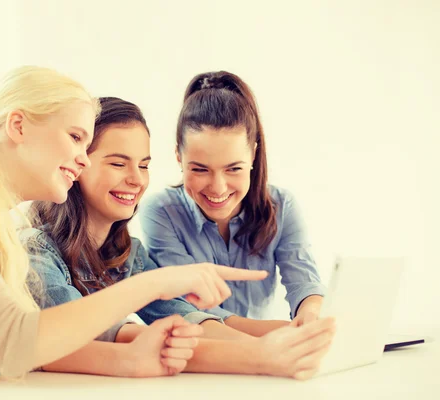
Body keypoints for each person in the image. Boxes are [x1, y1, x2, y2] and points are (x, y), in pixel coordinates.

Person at [0, 67, 263, 393]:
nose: (83, 160)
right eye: (76, 137)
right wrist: (157, 283)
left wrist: (134, 361)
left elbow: (27, 353)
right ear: (18, 126)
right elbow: (12, 343)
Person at [23, 96, 335, 380]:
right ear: (78, 165)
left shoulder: (129, 254)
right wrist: (258, 355)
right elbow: (94, 334)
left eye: (144, 165)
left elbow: (188, 316)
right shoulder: (36, 251)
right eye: (119, 163)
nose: (136, 179)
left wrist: (286, 338)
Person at [140, 71, 327, 330]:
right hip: (209, 355)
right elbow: (190, 308)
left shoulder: (282, 205)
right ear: (178, 157)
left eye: (233, 169)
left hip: (272, 357)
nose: (218, 188)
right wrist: (283, 331)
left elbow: (304, 282)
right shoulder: (161, 212)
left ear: (253, 154)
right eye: (200, 169)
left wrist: (311, 314)